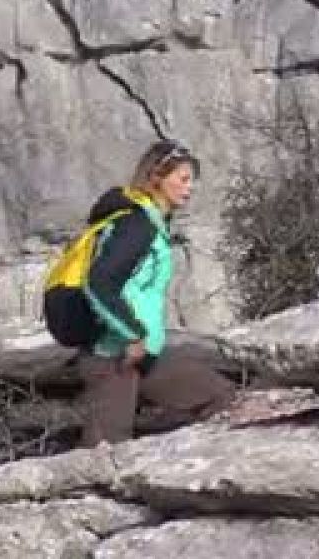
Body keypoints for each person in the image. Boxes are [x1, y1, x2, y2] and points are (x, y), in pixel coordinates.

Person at [77, 140, 234, 446]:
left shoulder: (154, 226)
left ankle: (170, 463)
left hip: (142, 355)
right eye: (183, 179)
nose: (190, 188)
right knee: (104, 453)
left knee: (220, 397)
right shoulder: (135, 226)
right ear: (156, 178)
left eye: (193, 181)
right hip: (113, 356)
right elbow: (98, 283)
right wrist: (133, 333)